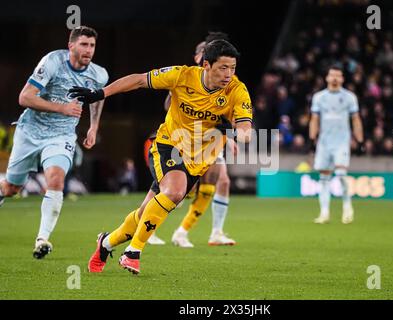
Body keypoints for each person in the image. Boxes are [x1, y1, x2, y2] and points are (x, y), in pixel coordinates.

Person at [70, 39, 252, 274]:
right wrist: (100, 93)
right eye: (223, 68)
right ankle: (132, 253)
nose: (229, 74)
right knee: (174, 192)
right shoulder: (182, 75)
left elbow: (246, 130)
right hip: (169, 145)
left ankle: (105, 243)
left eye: (233, 68)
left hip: (198, 161)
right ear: (206, 65)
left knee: (146, 212)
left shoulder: (237, 90)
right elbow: (137, 80)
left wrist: (236, 132)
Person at [0, 26, 108, 259]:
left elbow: (97, 98)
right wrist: (62, 108)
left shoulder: (99, 74)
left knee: (56, 178)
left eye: (92, 45)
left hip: (61, 136)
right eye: (83, 45)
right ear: (71, 46)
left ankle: (42, 239)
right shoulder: (52, 61)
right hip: (30, 131)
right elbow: (24, 97)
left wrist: (94, 126)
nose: (88, 50)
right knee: (11, 188)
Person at [170, 32, 238, 248]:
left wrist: (230, 135)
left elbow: (231, 112)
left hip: (212, 141)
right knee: (179, 191)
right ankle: (149, 226)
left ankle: (200, 232)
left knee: (222, 181)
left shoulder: (227, 82)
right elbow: (168, 106)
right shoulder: (186, 78)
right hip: (186, 139)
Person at [309, 65, 364, 224]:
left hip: (341, 142)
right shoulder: (319, 97)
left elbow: (356, 119)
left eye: (337, 76)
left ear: (342, 79)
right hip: (324, 142)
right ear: (327, 78)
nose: (334, 78)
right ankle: (324, 213)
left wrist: (359, 140)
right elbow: (314, 119)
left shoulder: (349, 97)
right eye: (332, 75)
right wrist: (312, 140)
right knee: (324, 177)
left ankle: (347, 207)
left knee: (341, 175)